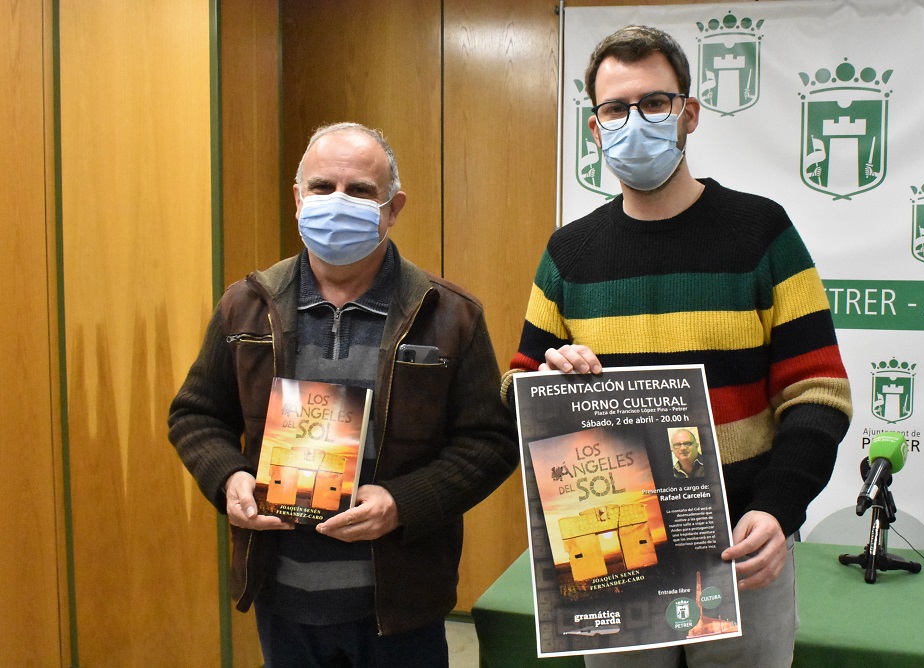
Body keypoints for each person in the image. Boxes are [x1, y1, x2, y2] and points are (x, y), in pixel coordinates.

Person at [503, 26, 852, 667]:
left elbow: (819, 392)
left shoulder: (762, 233)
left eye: (654, 103)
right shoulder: (568, 253)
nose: (634, 121)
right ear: (595, 128)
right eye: (615, 108)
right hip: (614, 551)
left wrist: (779, 508)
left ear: (688, 113)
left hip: (744, 548)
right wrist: (547, 381)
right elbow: (516, 387)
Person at [168, 122, 519, 667]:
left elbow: (489, 443)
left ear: (393, 208)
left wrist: (402, 503)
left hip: (402, 602)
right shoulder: (245, 306)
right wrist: (229, 477)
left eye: (359, 191)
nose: (337, 202)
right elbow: (196, 415)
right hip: (282, 597)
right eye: (322, 186)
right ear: (297, 199)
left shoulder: (449, 314)